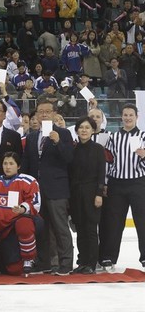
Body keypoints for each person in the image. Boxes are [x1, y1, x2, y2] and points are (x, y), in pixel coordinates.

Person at [22, 100, 74, 275]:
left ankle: (65, 263)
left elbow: (69, 159)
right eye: (40, 112)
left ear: (54, 114)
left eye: (47, 111)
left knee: (60, 228)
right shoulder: (31, 137)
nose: (44, 114)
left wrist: (58, 142)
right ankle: (44, 262)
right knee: (41, 228)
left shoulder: (64, 134)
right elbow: (27, 164)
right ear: (36, 115)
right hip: (37, 191)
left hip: (57, 188)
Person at [0, 152, 41, 276]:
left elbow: (36, 202)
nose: (8, 167)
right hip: (5, 226)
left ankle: (29, 259)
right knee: (12, 270)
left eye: (11, 163)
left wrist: (23, 209)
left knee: (23, 224)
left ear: (18, 166)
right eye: (5, 163)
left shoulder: (28, 180)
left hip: (26, 220)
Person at [100, 104, 145, 270]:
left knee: (143, 221)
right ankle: (109, 257)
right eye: (125, 115)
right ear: (121, 117)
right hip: (116, 183)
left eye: (130, 115)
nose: (127, 118)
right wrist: (105, 183)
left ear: (136, 117)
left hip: (139, 183)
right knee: (114, 222)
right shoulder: (113, 137)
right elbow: (108, 160)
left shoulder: (143, 136)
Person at [68, 116, 105, 275]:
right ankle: (82, 262)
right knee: (80, 229)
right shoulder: (73, 149)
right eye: (81, 127)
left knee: (90, 229)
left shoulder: (97, 149)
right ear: (77, 130)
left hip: (91, 193)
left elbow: (101, 173)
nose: (84, 130)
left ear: (92, 130)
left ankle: (91, 262)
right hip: (76, 194)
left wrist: (99, 194)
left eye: (87, 128)